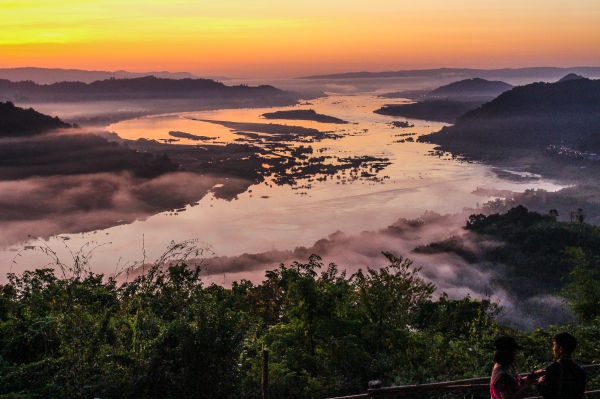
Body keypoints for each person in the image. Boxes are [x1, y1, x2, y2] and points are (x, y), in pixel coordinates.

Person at [535, 332, 587, 399]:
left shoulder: (552, 369)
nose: (553, 349)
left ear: (560, 349)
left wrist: (539, 382)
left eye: (554, 345)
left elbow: (547, 393)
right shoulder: (580, 371)